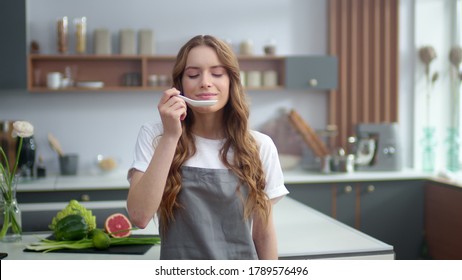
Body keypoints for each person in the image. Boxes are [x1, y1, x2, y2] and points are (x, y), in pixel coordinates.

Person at [127, 35, 288, 260]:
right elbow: (139, 216)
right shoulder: (156, 135)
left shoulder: (260, 146)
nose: (205, 82)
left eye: (217, 73)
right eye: (193, 74)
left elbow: (263, 235)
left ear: (232, 81)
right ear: (180, 83)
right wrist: (171, 136)